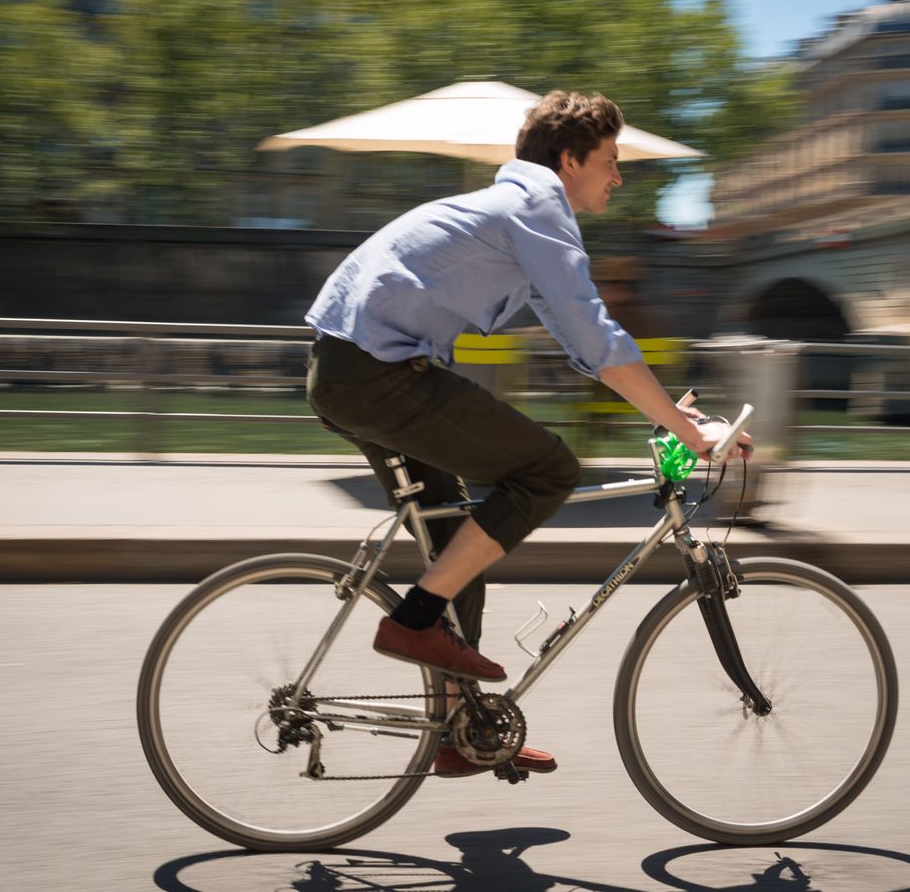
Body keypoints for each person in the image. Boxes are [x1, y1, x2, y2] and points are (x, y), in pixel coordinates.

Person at [303, 90, 748, 777]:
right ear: (569, 160)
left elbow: (580, 342)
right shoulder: (537, 205)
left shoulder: (513, 210)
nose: (618, 176)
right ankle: (413, 620)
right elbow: (598, 338)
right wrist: (688, 432)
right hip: (377, 375)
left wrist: (667, 414)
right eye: (609, 160)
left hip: (346, 369)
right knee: (546, 471)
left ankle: (464, 728)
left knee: (457, 546)